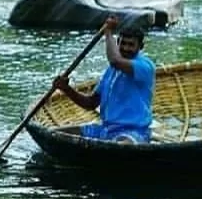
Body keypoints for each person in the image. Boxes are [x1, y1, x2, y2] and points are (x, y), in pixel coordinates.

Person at [51, 14, 155, 143]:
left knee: (121, 147)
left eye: (131, 45)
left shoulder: (145, 66)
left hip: (133, 132)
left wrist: (108, 32)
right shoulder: (111, 71)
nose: (125, 48)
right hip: (106, 129)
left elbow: (115, 60)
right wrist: (66, 89)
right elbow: (91, 103)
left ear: (141, 47)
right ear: (117, 43)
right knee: (54, 134)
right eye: (122, 43)